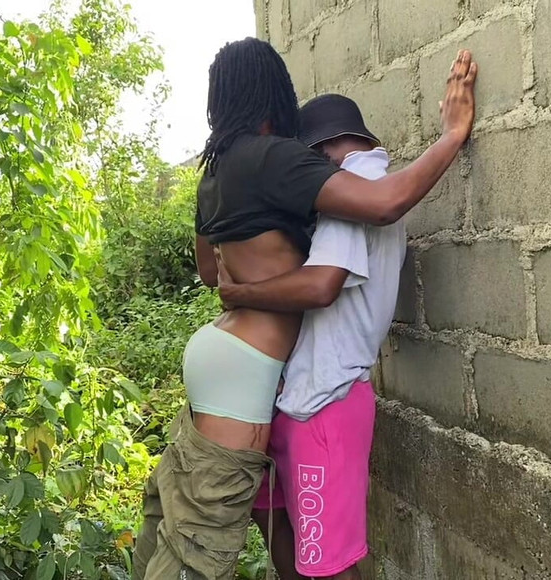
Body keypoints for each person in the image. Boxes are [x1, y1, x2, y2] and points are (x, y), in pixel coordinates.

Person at [132, 37, 477, 580]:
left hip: (223, 354)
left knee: (195, 514)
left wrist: (247, 278)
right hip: (251, 363)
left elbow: (209, 272)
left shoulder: (213, 172)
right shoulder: (273, 157)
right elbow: (383, 204)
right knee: (202, 535)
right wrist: (453, 135)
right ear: (274, 94)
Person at [218, 93, 403, 580]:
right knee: (289, 536)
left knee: (328, 565)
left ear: (321, 153)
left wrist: (240, 292)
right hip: (303, 398)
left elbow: (322, 287)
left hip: (324, 404)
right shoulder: (362, 190)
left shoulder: (354, 190)